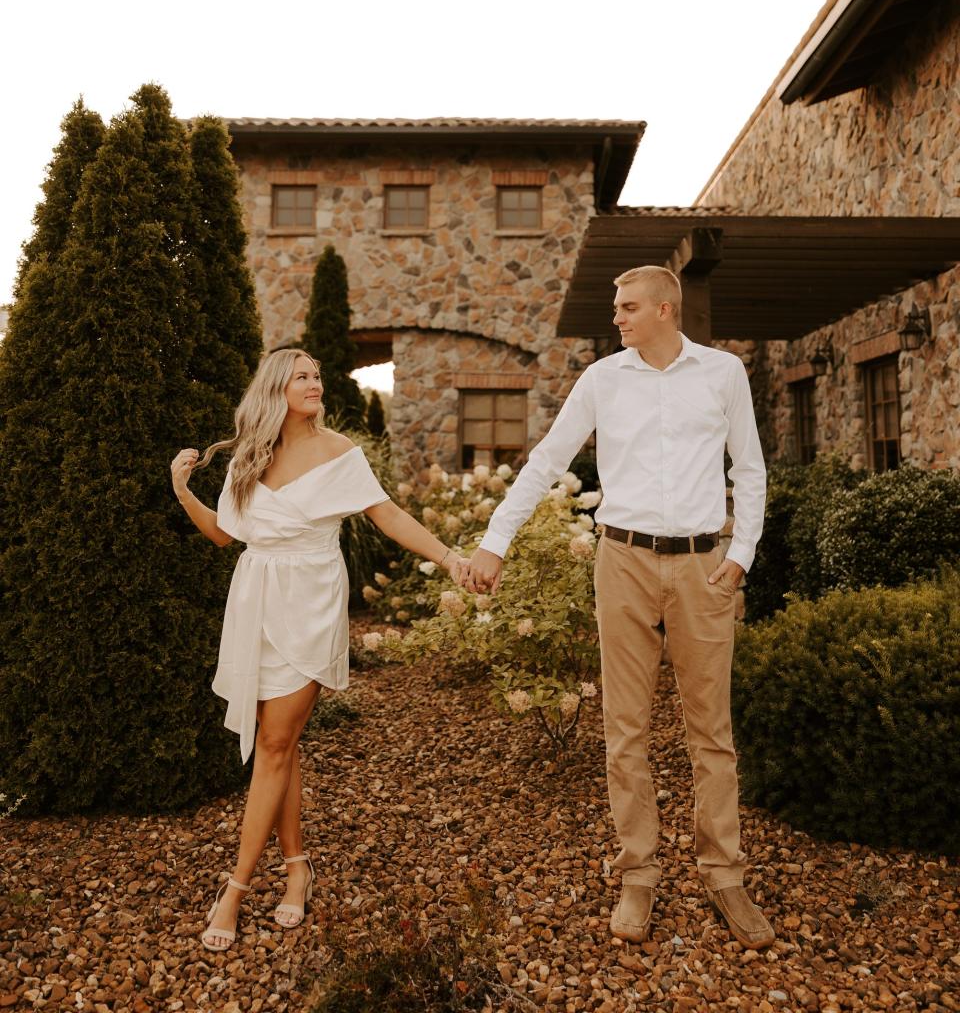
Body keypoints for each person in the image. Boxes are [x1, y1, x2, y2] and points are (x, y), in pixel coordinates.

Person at [464, 266, 775, 951]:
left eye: (629, 307)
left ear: (667, 308)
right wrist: (496, 542)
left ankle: (725, 874)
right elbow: (546, 459)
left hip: (703, 566)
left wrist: (743, 552)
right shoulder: (603, 380)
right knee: (624, 732)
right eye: (617, 307)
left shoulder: (722, 374)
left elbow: (748, 468)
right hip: (624, 561)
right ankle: (639, 873)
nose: (619, 318)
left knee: (712, 734)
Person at [171, 347, 468, 952]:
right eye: (302, 376)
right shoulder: (250, 455)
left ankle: (234, 888)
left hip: (308, 600)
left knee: (275, 743)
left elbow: (388, 516)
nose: (315, 384)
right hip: (255, 598)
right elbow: (224, 534)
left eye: (317, 376)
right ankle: (297, 866)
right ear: (276, 388)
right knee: (279, 743)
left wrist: (450, 558)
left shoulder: (340, 453)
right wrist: (181, 489)